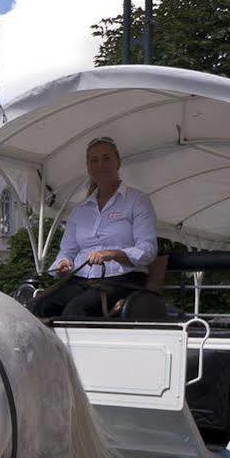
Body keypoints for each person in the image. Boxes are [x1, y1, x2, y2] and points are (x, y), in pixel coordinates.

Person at [30, 136, 159, 320]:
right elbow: (68, 250)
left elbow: (148, 250)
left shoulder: (137, 201)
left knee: (75, 311)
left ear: (118, 162)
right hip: (81, 280)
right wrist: (64, 263)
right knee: (39, 305)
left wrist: (112, 254)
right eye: (94, 160)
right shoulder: (80, 210)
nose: (100, 165)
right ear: (88, 167)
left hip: (123, 280)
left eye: (106, 158)